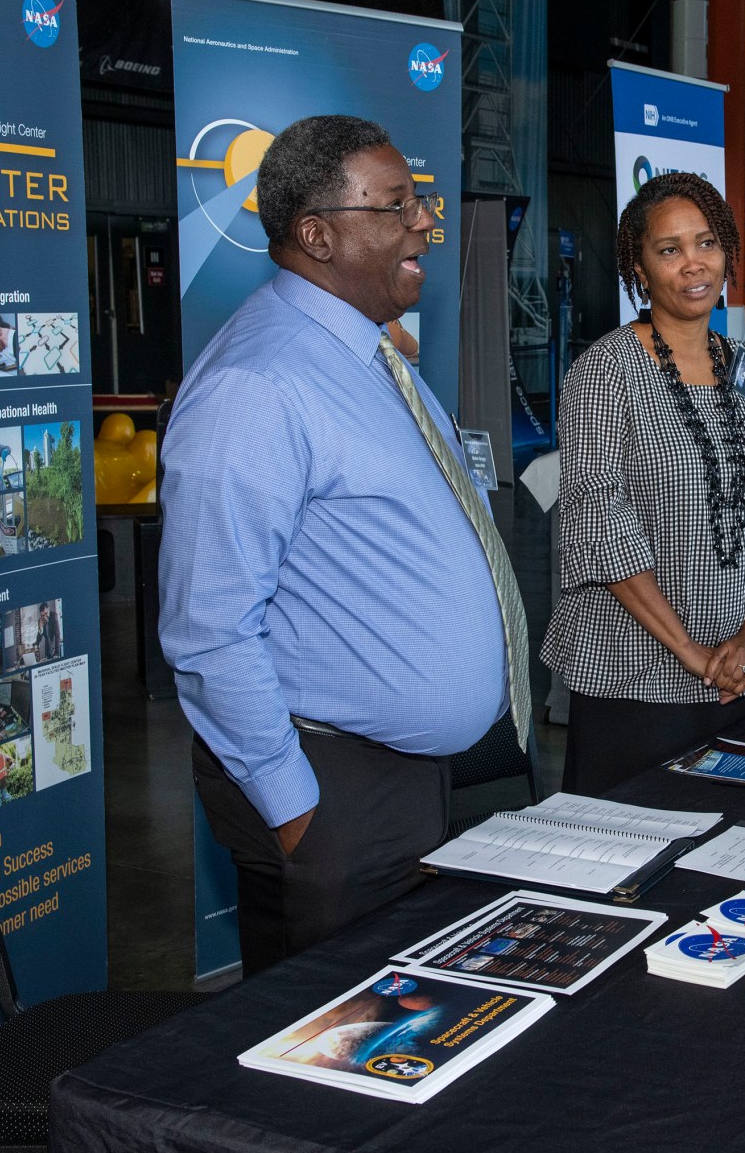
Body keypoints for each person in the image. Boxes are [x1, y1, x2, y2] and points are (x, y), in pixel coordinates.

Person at [159, 114, 526, 975]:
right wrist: (299, 814)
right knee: (323, 1064)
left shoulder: (369, 358)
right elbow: (209, 628)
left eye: (418, 201)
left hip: (399, 778)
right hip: (329, 790)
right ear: (318, 234)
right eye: (397, 205)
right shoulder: (257, 384)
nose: (425, 222)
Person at [543, 171, 745, 795]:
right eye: (669, 250)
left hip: (742, 674)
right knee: (627, 863)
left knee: (735, 855)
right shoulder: (605, 374)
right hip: (631, 680)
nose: (693, 264)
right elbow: (599, 529)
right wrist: (695, 658)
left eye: (706, 243)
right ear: (639, 269)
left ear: (727, 254)